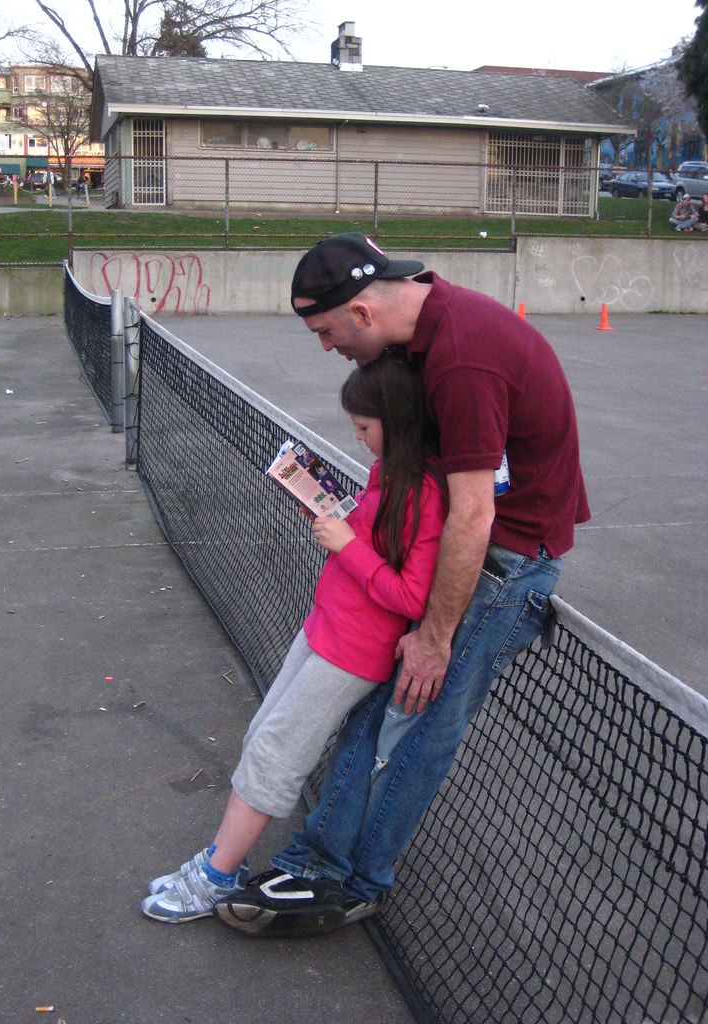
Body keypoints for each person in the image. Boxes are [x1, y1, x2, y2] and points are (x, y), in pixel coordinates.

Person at [214, 232, 590, 937]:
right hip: (465, 549)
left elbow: (473, 514)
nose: (327, 347)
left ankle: (352, 882)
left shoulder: (462, 357)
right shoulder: (421, 335)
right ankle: (321, 861)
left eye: (327, 332)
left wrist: (435, 637)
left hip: (501, 564)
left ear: (362, 312)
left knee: (417, 727)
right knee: (383, 716)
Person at [141, 351, 448, 926]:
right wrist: (337, 519)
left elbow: (412, 595)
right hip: (324, 626)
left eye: (365, 427)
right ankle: (223, 861)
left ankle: (216, 877)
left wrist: (347, 545)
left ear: (398, 420)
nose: (358, 438)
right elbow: (374, 542)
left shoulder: (426, 492)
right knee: (261, 734)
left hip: (353, 653)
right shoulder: (387, 472)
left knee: (275, 754)